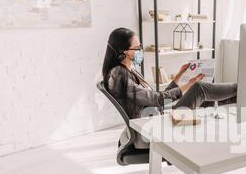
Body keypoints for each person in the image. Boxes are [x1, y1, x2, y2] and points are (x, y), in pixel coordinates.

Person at [102, 27, 237, 148]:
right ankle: (239, 88)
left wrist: (179, 74)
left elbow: (157, 99)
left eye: (140, 46)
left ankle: (240, 95)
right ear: (123, 52)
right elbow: (159, 99)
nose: (140, 51)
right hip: (150, 131)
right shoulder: (118, 75)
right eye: (137, 48)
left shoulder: (129, 70)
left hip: (155, 120)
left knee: (208, 99)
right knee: (199, 88)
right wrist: (187, 85)